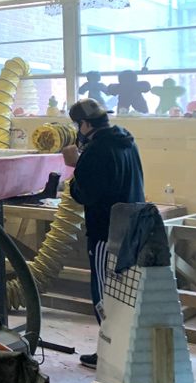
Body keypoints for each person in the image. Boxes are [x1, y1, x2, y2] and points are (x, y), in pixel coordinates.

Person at [61, 98, 145, 369]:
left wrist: (75, 165)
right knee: (125, 292)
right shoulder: (126, 142)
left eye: (78, 125)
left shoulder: (96, 151)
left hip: (105, 232)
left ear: (85, 125)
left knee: (105, 294)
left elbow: (85, 193)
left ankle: (111, 354)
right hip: (133, 227)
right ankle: (126, 350)